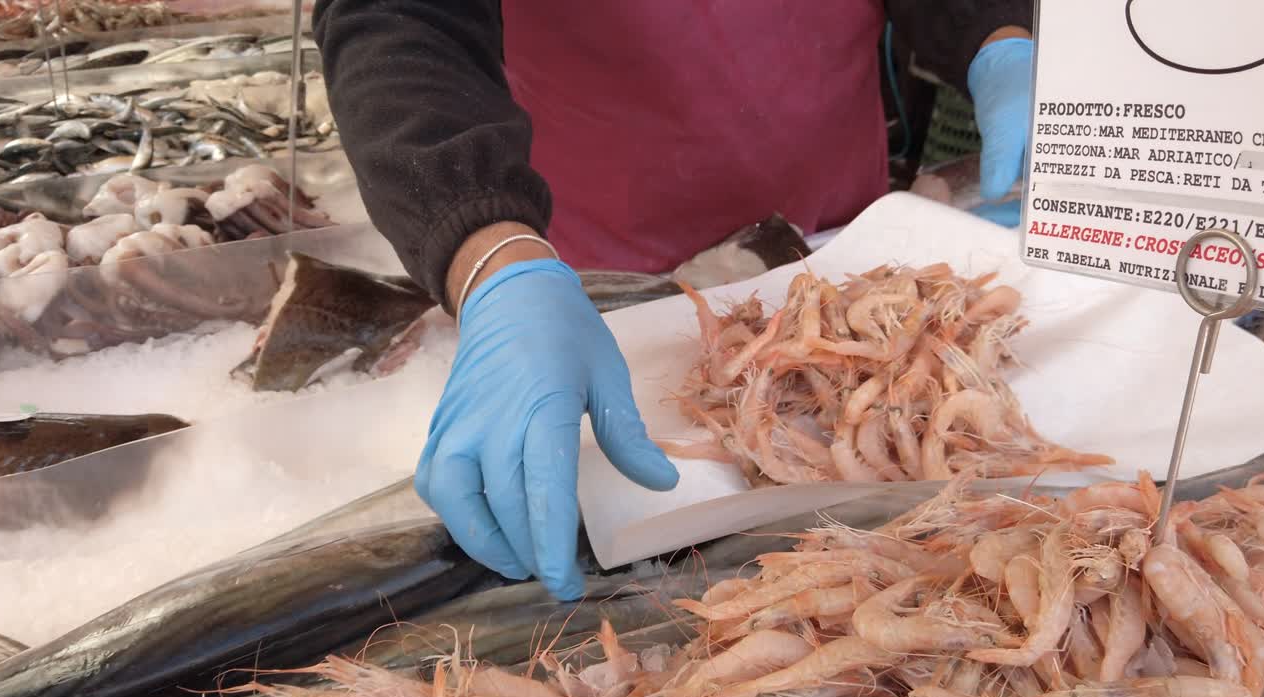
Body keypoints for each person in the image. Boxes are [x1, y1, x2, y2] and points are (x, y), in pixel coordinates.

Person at [311, 1, 1035, 600]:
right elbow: (397, 21)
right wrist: (488, 252)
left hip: (831, 239)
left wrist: (993, 34)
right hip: (588, 271)